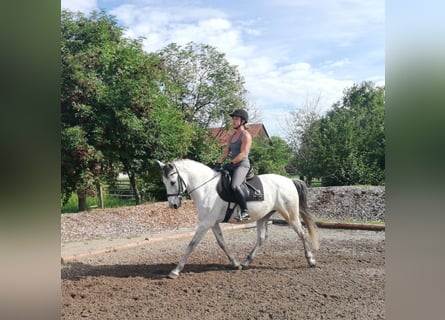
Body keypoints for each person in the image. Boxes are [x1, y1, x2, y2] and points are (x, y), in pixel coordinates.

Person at [214, 109, 252, 221]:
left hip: (242, 165)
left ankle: (245, 211)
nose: (233, 121)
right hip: (233, 165)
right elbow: (226, 152)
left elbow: (243, 153)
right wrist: (218, 163)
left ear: (243, 121)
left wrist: (231, 163)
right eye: (233, 119)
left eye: (236, 119)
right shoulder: (231, 136)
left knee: (235, 185)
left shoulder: (246, 135)